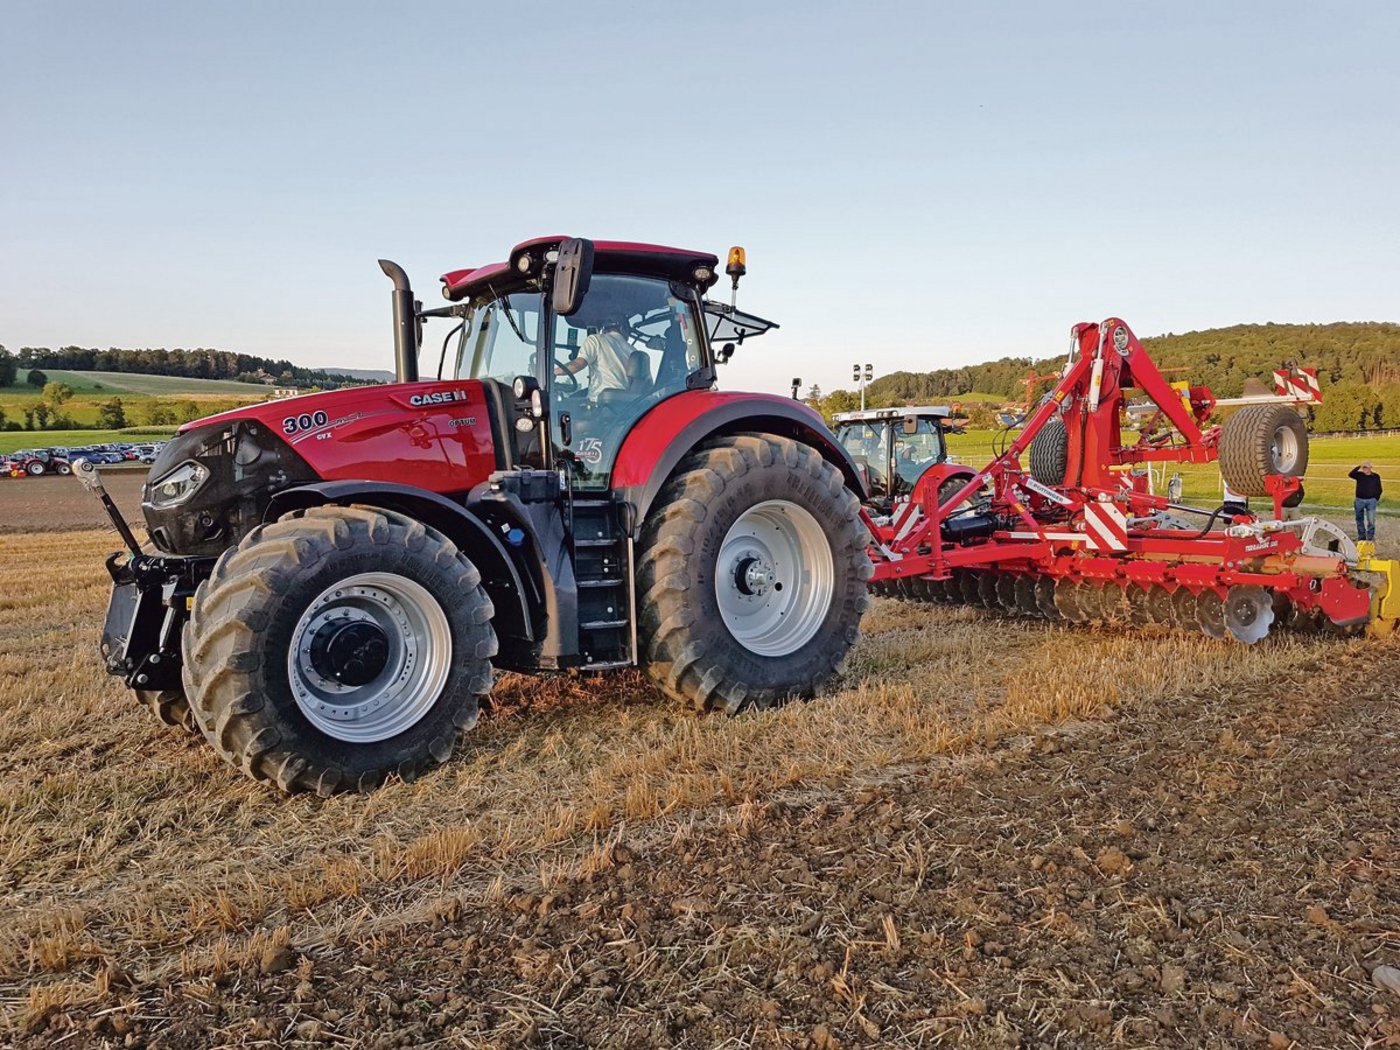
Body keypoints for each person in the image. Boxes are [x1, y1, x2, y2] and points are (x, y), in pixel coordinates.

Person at [557, 318, 632, 402]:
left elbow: (578, 364)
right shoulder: (633, 350)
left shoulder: (595, 340)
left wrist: (554, 372)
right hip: (627, 404)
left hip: (599, 403)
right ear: (622, 329)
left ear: (604, 328)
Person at [1349, 461, 1382, 542]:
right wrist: (1358, 466)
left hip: (1371, 501)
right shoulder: (1359, 475)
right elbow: (1350, 474)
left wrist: (1375, 499)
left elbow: (1379, 489)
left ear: (1370, 468)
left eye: (1366, 467)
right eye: (1364, 467)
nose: (1365, 469)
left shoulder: (1376, 476)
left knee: (1371, 520)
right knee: (1359, 519)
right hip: (1359, 500)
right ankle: (1361, 536)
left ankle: (1370, 537)